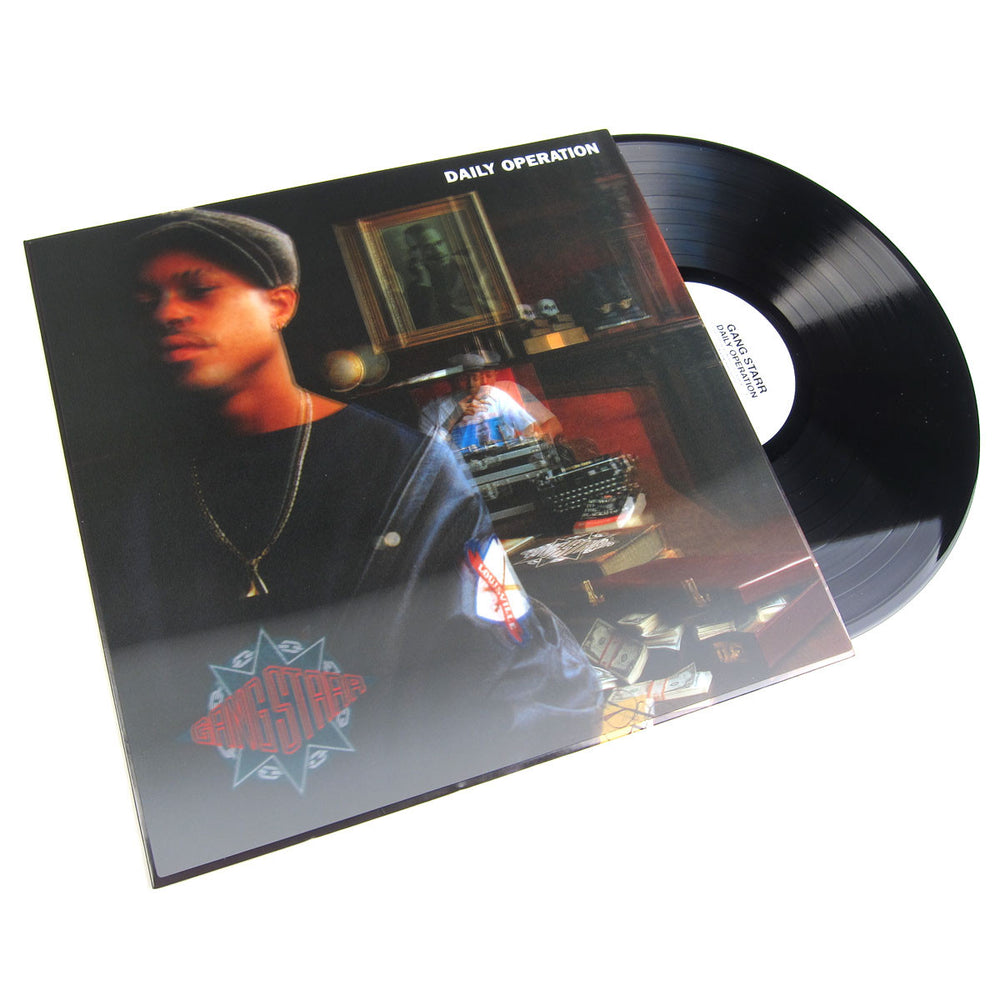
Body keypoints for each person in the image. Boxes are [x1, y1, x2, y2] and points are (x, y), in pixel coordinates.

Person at [97, 209, 602, 810]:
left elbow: (506, 670)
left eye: (200, 289)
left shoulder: (406, 469)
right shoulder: (135, 497)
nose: (167, 313)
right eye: (146, 301)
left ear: (279, 304)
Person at [418, 352, 563, 449]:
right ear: (450, 381)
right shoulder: (432, 410)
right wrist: (452, 419)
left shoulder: (496, 395)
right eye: (463, 379)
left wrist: (528, 443)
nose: (471, 385)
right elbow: (431, 455)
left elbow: (532, 429)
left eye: (475, 378)